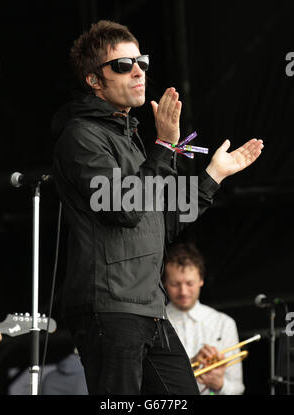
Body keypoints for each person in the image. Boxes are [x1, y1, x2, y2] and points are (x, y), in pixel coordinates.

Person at [52, 20, 263, 395]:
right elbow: (123, 206)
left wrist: (213, 175)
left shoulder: (130, 139)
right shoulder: (81, 135)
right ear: (93, 81)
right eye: (122, 64)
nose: (138, 71)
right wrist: (165, 145)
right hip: (111, 307)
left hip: (148, 307)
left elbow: (160, 223)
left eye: (141, 61)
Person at [164, 243, 245, 395]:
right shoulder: (156, 323)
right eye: (175, 284)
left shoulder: (224, 323)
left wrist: (220, 385)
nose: (183, 291)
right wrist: (190, 365)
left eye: (190, 283)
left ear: (201, 280)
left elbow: (238, 389)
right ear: (165, 283)